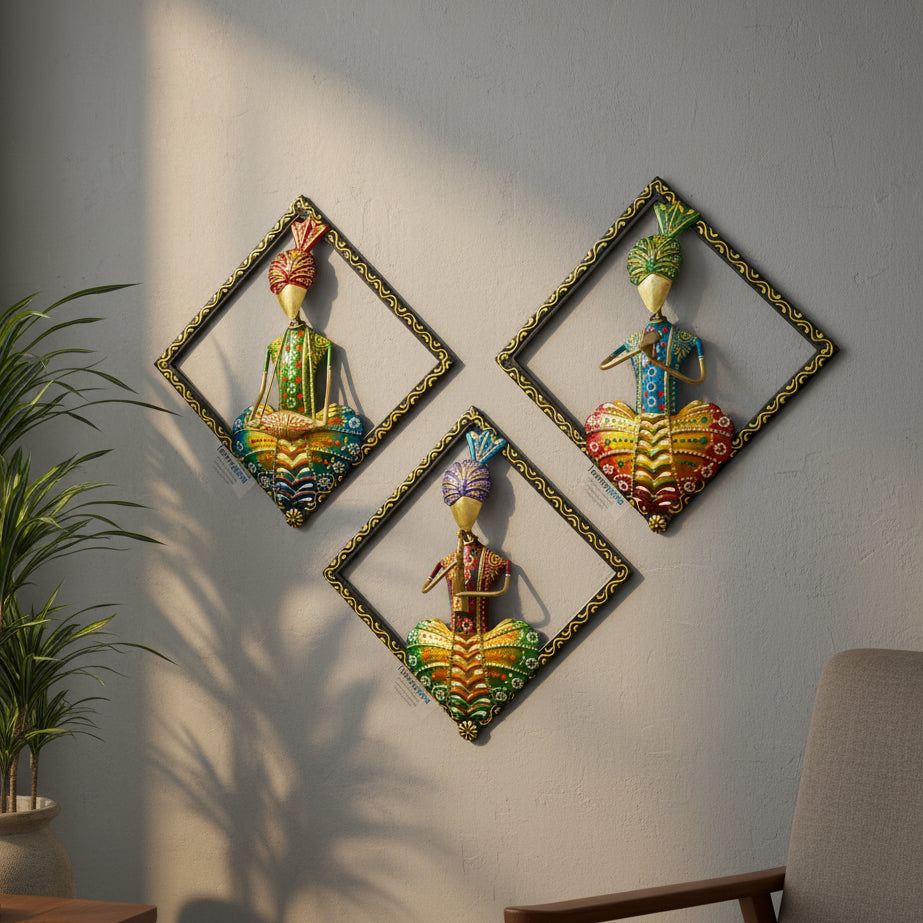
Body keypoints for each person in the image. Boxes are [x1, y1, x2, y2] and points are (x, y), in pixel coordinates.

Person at [584, 201, 734, 532]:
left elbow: (698, 379)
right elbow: (605, 364)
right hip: (636, 426)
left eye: (658, 282)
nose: (652, 292)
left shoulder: (683, 339)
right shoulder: (638, 337)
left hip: (674, 424)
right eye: (646, 284)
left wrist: (655, 361)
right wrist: (636, 352)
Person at [405, 431, 540, 738]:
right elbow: (427, 586)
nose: (462, 514)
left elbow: (501, 589)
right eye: (456, 505)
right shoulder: (449, 558)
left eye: (467, 506)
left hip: (484, 636)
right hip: (452, 639)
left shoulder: (493, 560)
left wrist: (468, 589)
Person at [232, 217, 362, 527]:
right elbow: (260, 400)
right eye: (282, 292)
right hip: (277, 429)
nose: (288, 301)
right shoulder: (274, 346)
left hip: (313, 428)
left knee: (346, 423)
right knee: (243, 428)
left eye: (292, 290)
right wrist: (262, 420)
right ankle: (292, 489)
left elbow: (330, 399)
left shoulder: (321, 344)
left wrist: (309, 423)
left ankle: (298, 490)